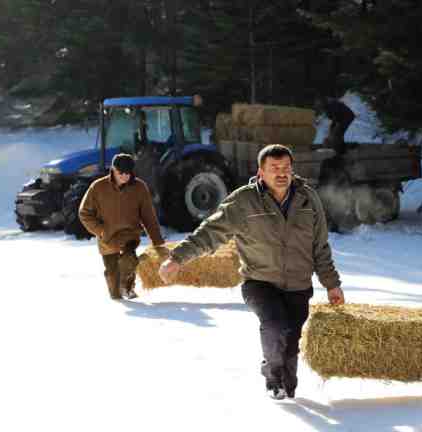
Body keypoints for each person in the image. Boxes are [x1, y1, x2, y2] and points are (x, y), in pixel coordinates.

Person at [157, 144, 345, 400]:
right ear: (261, 172)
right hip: (259, 282)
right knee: (275, 325)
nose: (281, 174)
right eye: (274, 169)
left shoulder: (308, 199)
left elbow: (320, 247)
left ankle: (285, 379)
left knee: (290, 344)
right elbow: (211, 232)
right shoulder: (244, 201)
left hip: (299, 285)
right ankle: (272, 377)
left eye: (286, 168)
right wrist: (177, 258)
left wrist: (332, 284)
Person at [79, 153, 165, 300]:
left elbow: (149, 217)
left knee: (129, 261)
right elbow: (84, 213)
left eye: (129, 173)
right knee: (114, 288)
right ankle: (118, 294)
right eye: (121, 173)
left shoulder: (139, 187)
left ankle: (128, 288)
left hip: (129, 236)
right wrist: (101, 231)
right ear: (113, 169)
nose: (125, 176)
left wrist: (158, 242)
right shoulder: (98, 187)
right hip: (107, 238)